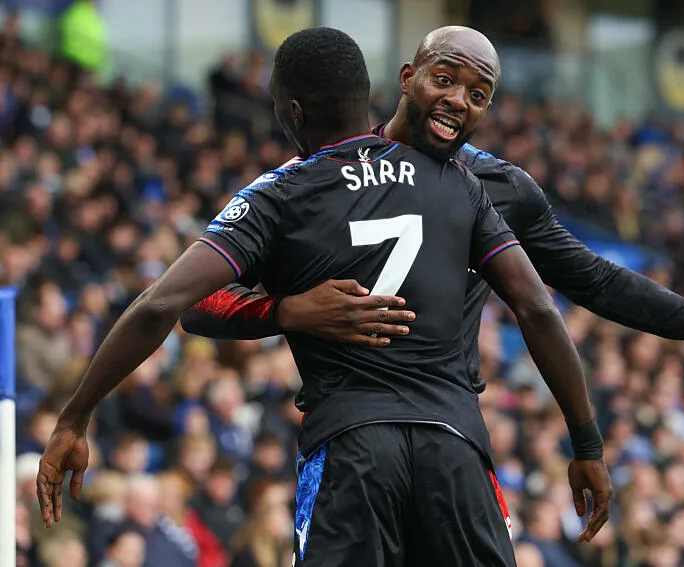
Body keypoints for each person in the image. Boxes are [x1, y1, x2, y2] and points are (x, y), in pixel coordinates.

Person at [37, 28, 609, 567]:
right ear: (379, 94)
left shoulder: (281, 193)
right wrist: (586, 443)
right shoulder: (456, 181)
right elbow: (537, 308)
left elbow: (171, 305)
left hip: (352, 449)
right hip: (455, 448)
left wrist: (74, 418)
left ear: (292, 112)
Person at [181, 26, 684, 408]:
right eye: (443, 79)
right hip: (352, 433)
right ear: (409, 78)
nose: (456, 100)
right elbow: (197, 303)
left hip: (450, 434)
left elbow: (595, 281)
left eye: (476, 94)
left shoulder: (499, 186)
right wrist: (282, 311)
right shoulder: (328, 177)